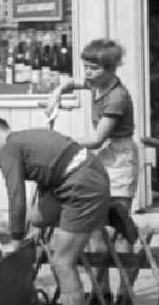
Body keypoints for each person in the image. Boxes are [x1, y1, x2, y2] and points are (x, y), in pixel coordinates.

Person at [0, 118, 111, 305]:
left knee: (62, 262)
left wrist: (15, 241)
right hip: (82, 176)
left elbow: (16, 199)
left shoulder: (9, 150)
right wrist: (34, 226)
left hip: (82, 186)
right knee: (35, 218)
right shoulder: (25, 139)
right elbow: (50, 175)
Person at [47, 39, 138, 216]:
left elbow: (96, 140)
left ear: (112, 69)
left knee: (119, 218)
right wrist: (56, 94)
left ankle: (126, 243)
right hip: (103, 155)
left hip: (120, 157)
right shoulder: (96, 84)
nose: (88, 72)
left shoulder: (117, 96)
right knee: (97, 215)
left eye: (94, 68)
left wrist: (61, 142)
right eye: (86, 66)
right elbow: (72, 83)